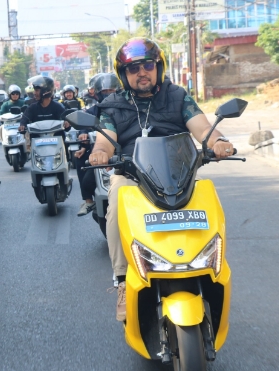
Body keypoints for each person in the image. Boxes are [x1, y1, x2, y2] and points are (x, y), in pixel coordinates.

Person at [87, 37, 235, 322]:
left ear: (158, 67)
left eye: (147, 65)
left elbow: (203, 128)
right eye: (133, 69)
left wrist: (219, 142)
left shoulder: (177, 96)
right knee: (116, 199)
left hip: (179, 174)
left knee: (207, 194)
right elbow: (105, 141)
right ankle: (122, 281)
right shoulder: (112, 105)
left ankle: (210, 269)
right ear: (123, 74)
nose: (141, 72)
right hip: (132, 175)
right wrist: (100, 154)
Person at [75, 73, 122, 216]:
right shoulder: (93, 111)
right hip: (101, 155)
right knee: (82, 165)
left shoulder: (126, 108)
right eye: (104, 91)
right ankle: (89, 201)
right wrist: (83, 134)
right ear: (97, 93)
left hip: (124, 153)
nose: (108, 94)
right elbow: (84, 124)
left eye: (111, 91)